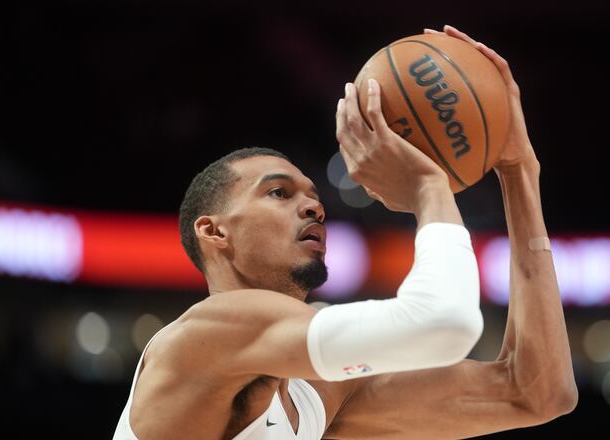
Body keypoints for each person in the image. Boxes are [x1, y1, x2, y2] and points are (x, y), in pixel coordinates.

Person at [113, 24, 577, 440]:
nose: (313, 207)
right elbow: (444, 325)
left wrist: (519, 171)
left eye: (313, 196)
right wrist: (428, 189)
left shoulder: (320, 395)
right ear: (214, 232)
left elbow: (534, 393)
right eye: (278, 192)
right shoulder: (204, 337)